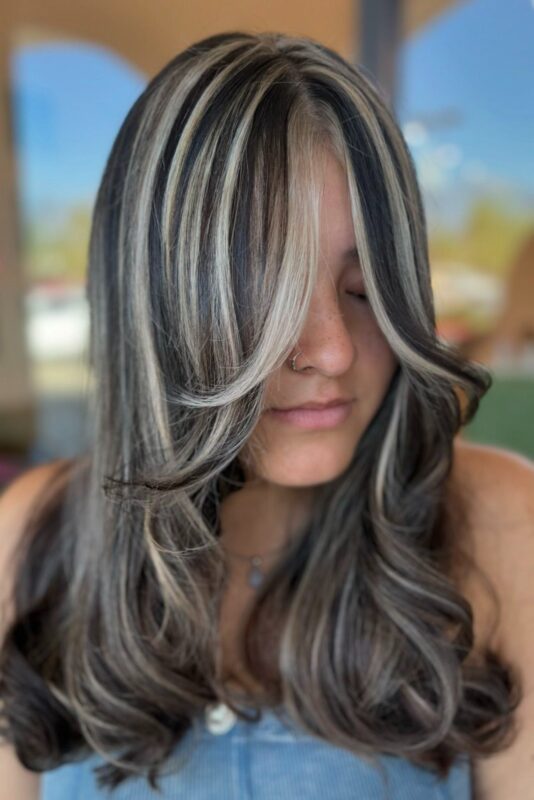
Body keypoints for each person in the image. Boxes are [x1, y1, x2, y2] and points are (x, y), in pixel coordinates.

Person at [0, 30, 533, 800]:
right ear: (159, 308)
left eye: (364, 290)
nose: (335, 352)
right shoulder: (29, 544)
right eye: (267, 297)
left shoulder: (496, 527)